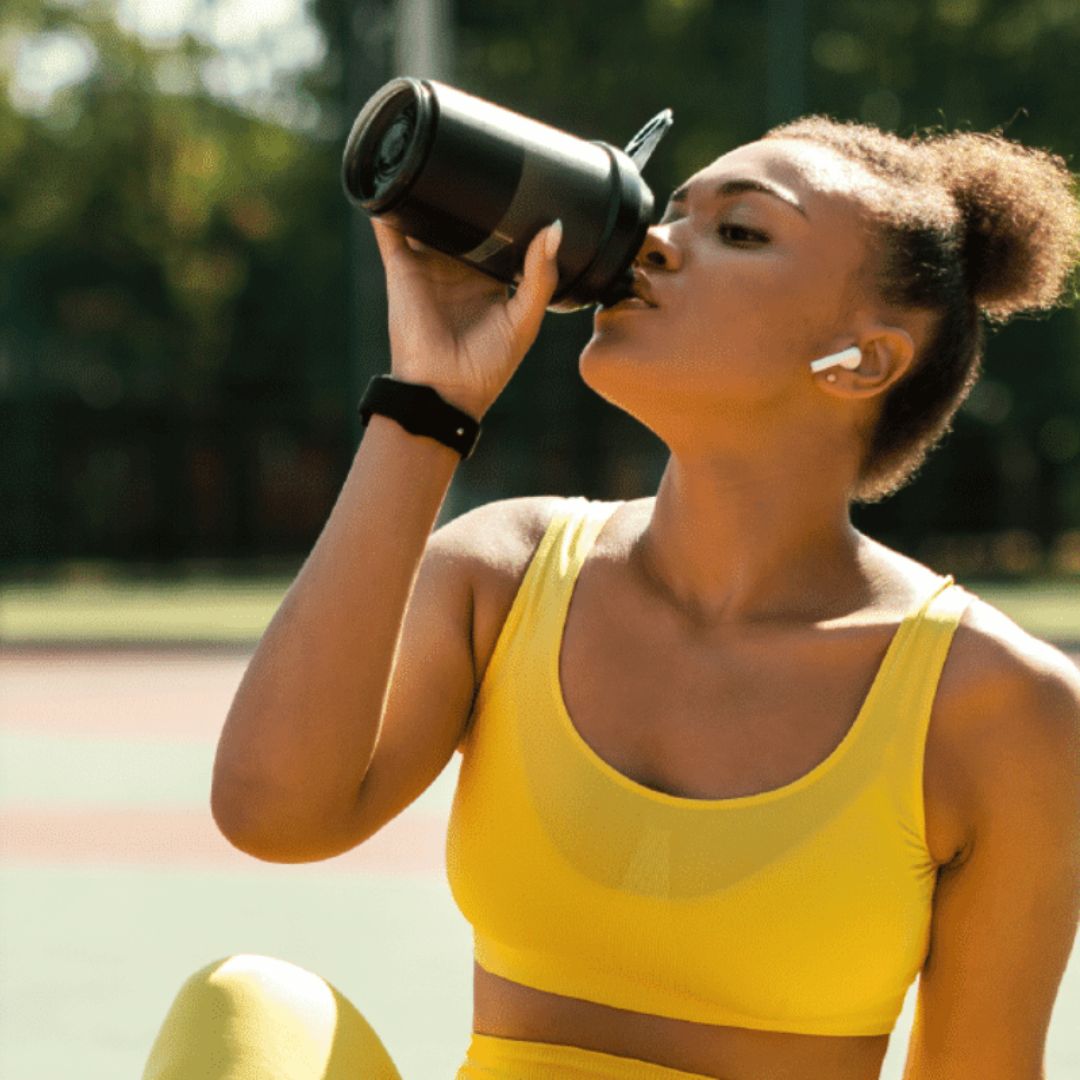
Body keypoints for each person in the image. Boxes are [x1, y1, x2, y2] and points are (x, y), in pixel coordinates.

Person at [142, 116, 1080, 1079]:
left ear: (865, 360)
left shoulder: (997, 703)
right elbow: (274, 814)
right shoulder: (504, 572)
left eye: (742, 232)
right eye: (670, 211)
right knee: (247, 1004)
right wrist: (428, 405)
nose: (655, 242)